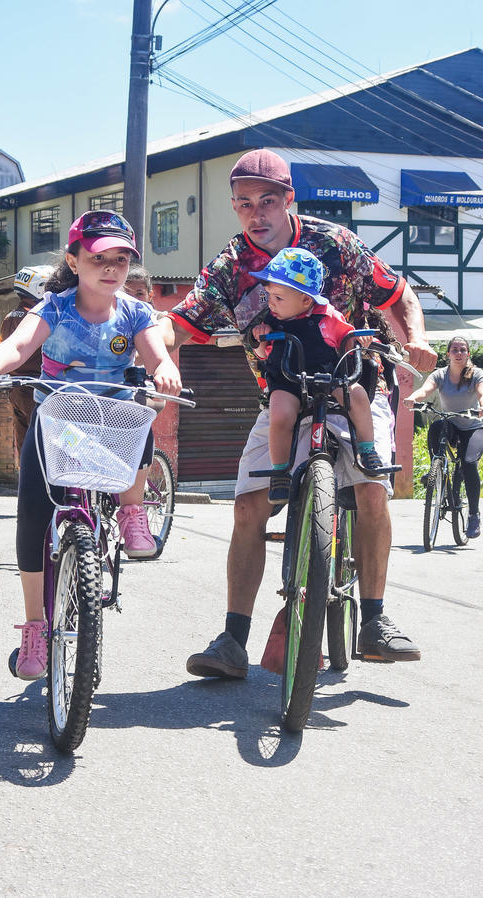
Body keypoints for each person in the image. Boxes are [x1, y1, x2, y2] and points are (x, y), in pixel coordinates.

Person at [158, 148, 437, 676]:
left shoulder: (336, 244)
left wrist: (417, 340)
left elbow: (397, 296)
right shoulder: (230, 266)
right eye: (243, 204)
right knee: (247, 507)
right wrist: (147, 347)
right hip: (283, 393)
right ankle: (232, 640)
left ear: (288, 198)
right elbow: (182, 320)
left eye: (267, 201)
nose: (255, 214)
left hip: (354, 382)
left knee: (372, 491)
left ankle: (375, 620)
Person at [0, 210, 181, 680]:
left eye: (122, 259)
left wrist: (166, 371)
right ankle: (35, 627)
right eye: (100, 257)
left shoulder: (136, 312)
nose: (112, 267)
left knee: (143, 412)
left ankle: (131, 511)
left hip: (114, 425)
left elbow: (158, 356)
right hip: (61, 423)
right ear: (75, 260)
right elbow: (20, 346)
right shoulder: (55, 308)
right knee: (32, 516)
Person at [250, 246, 387, 503]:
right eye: (269, 295)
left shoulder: (329, 317)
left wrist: (360, 340)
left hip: (328, 377)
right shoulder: (271, 320)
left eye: (278, 298)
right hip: (288, 380)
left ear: (306, 300)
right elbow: (261, 354)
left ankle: (367, 451)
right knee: (279, 415)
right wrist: (259, 339)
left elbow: (348, 340)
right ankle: (280, 471)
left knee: (357, 396)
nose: (271, 303)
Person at [404, 334, 483, 538]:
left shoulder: (476, 374)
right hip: (452, 423)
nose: (459, 353)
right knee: (436, 427)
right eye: (455, 350)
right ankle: (436, 470)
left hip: (474, 427)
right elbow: (425, 390)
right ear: (448, 354)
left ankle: (474, 514)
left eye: (462, 349)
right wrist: (413, 398)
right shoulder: (440, 374)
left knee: (468, 463)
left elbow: (481, 392)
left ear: (468, 353)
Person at [0, 265, 53, 455]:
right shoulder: (37, 318)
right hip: (37, 389)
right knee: (55, 438)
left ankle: (26, 480)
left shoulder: (9, 317)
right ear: (39, 288)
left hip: (17, 390)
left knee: (26, 445)